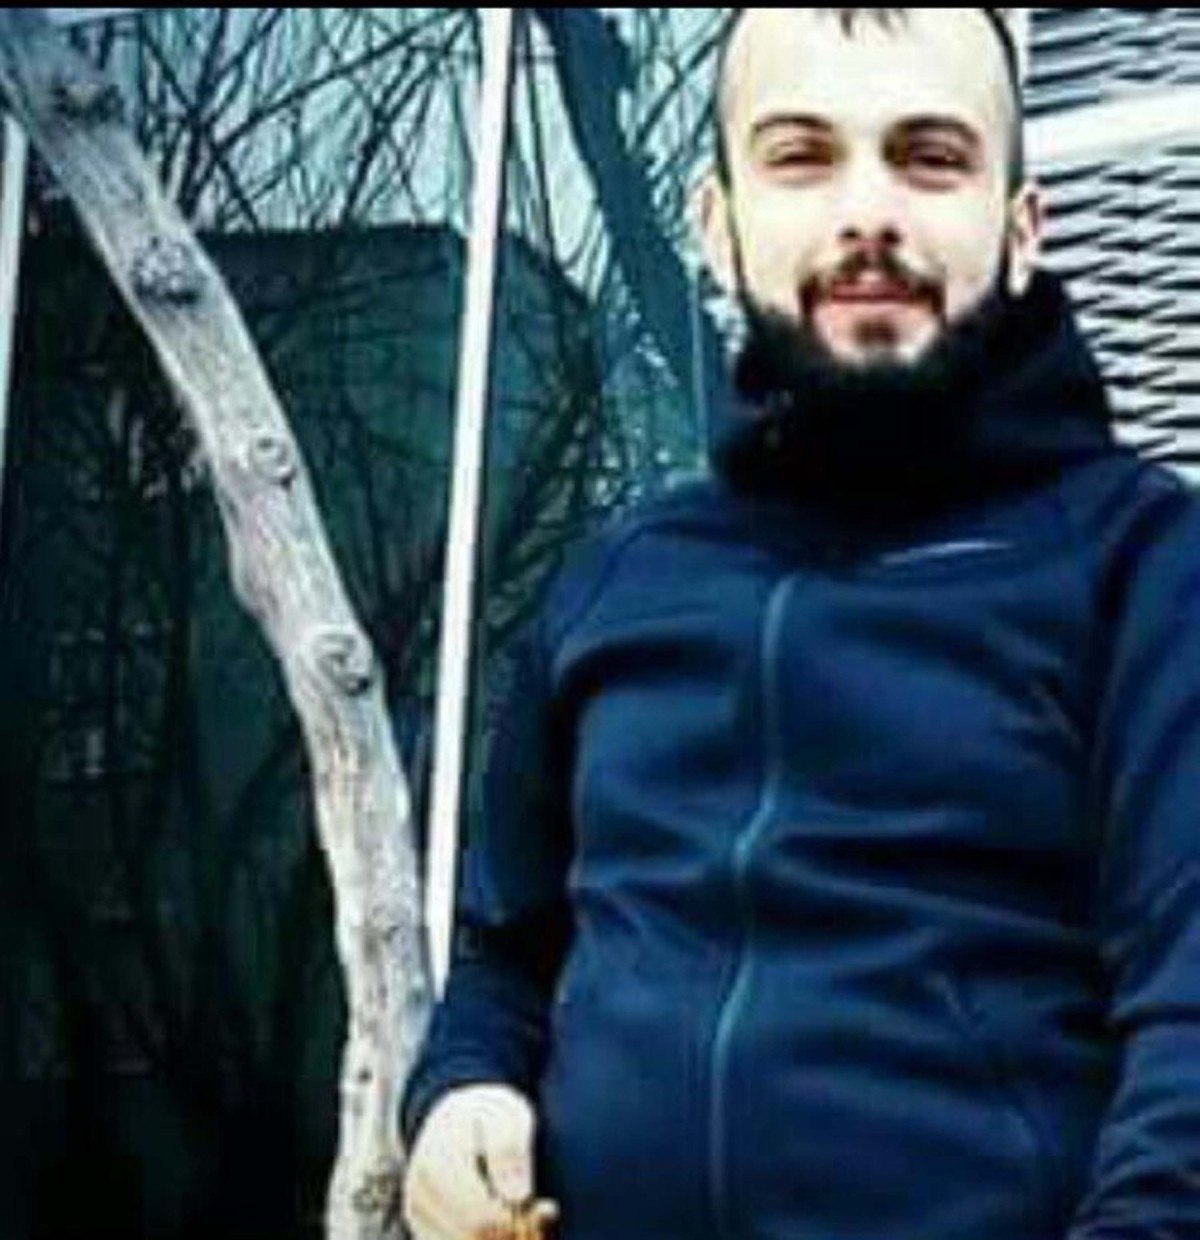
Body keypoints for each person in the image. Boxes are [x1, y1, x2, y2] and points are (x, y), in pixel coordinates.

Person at [400, 9, 1200, 1240]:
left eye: (930, 157)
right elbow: (505, 952)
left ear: (1022, 228)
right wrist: (460, 1090)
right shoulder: (620, 577)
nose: (867, 211)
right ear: (718, 228)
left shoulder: (1148, 570)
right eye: (802, 156)